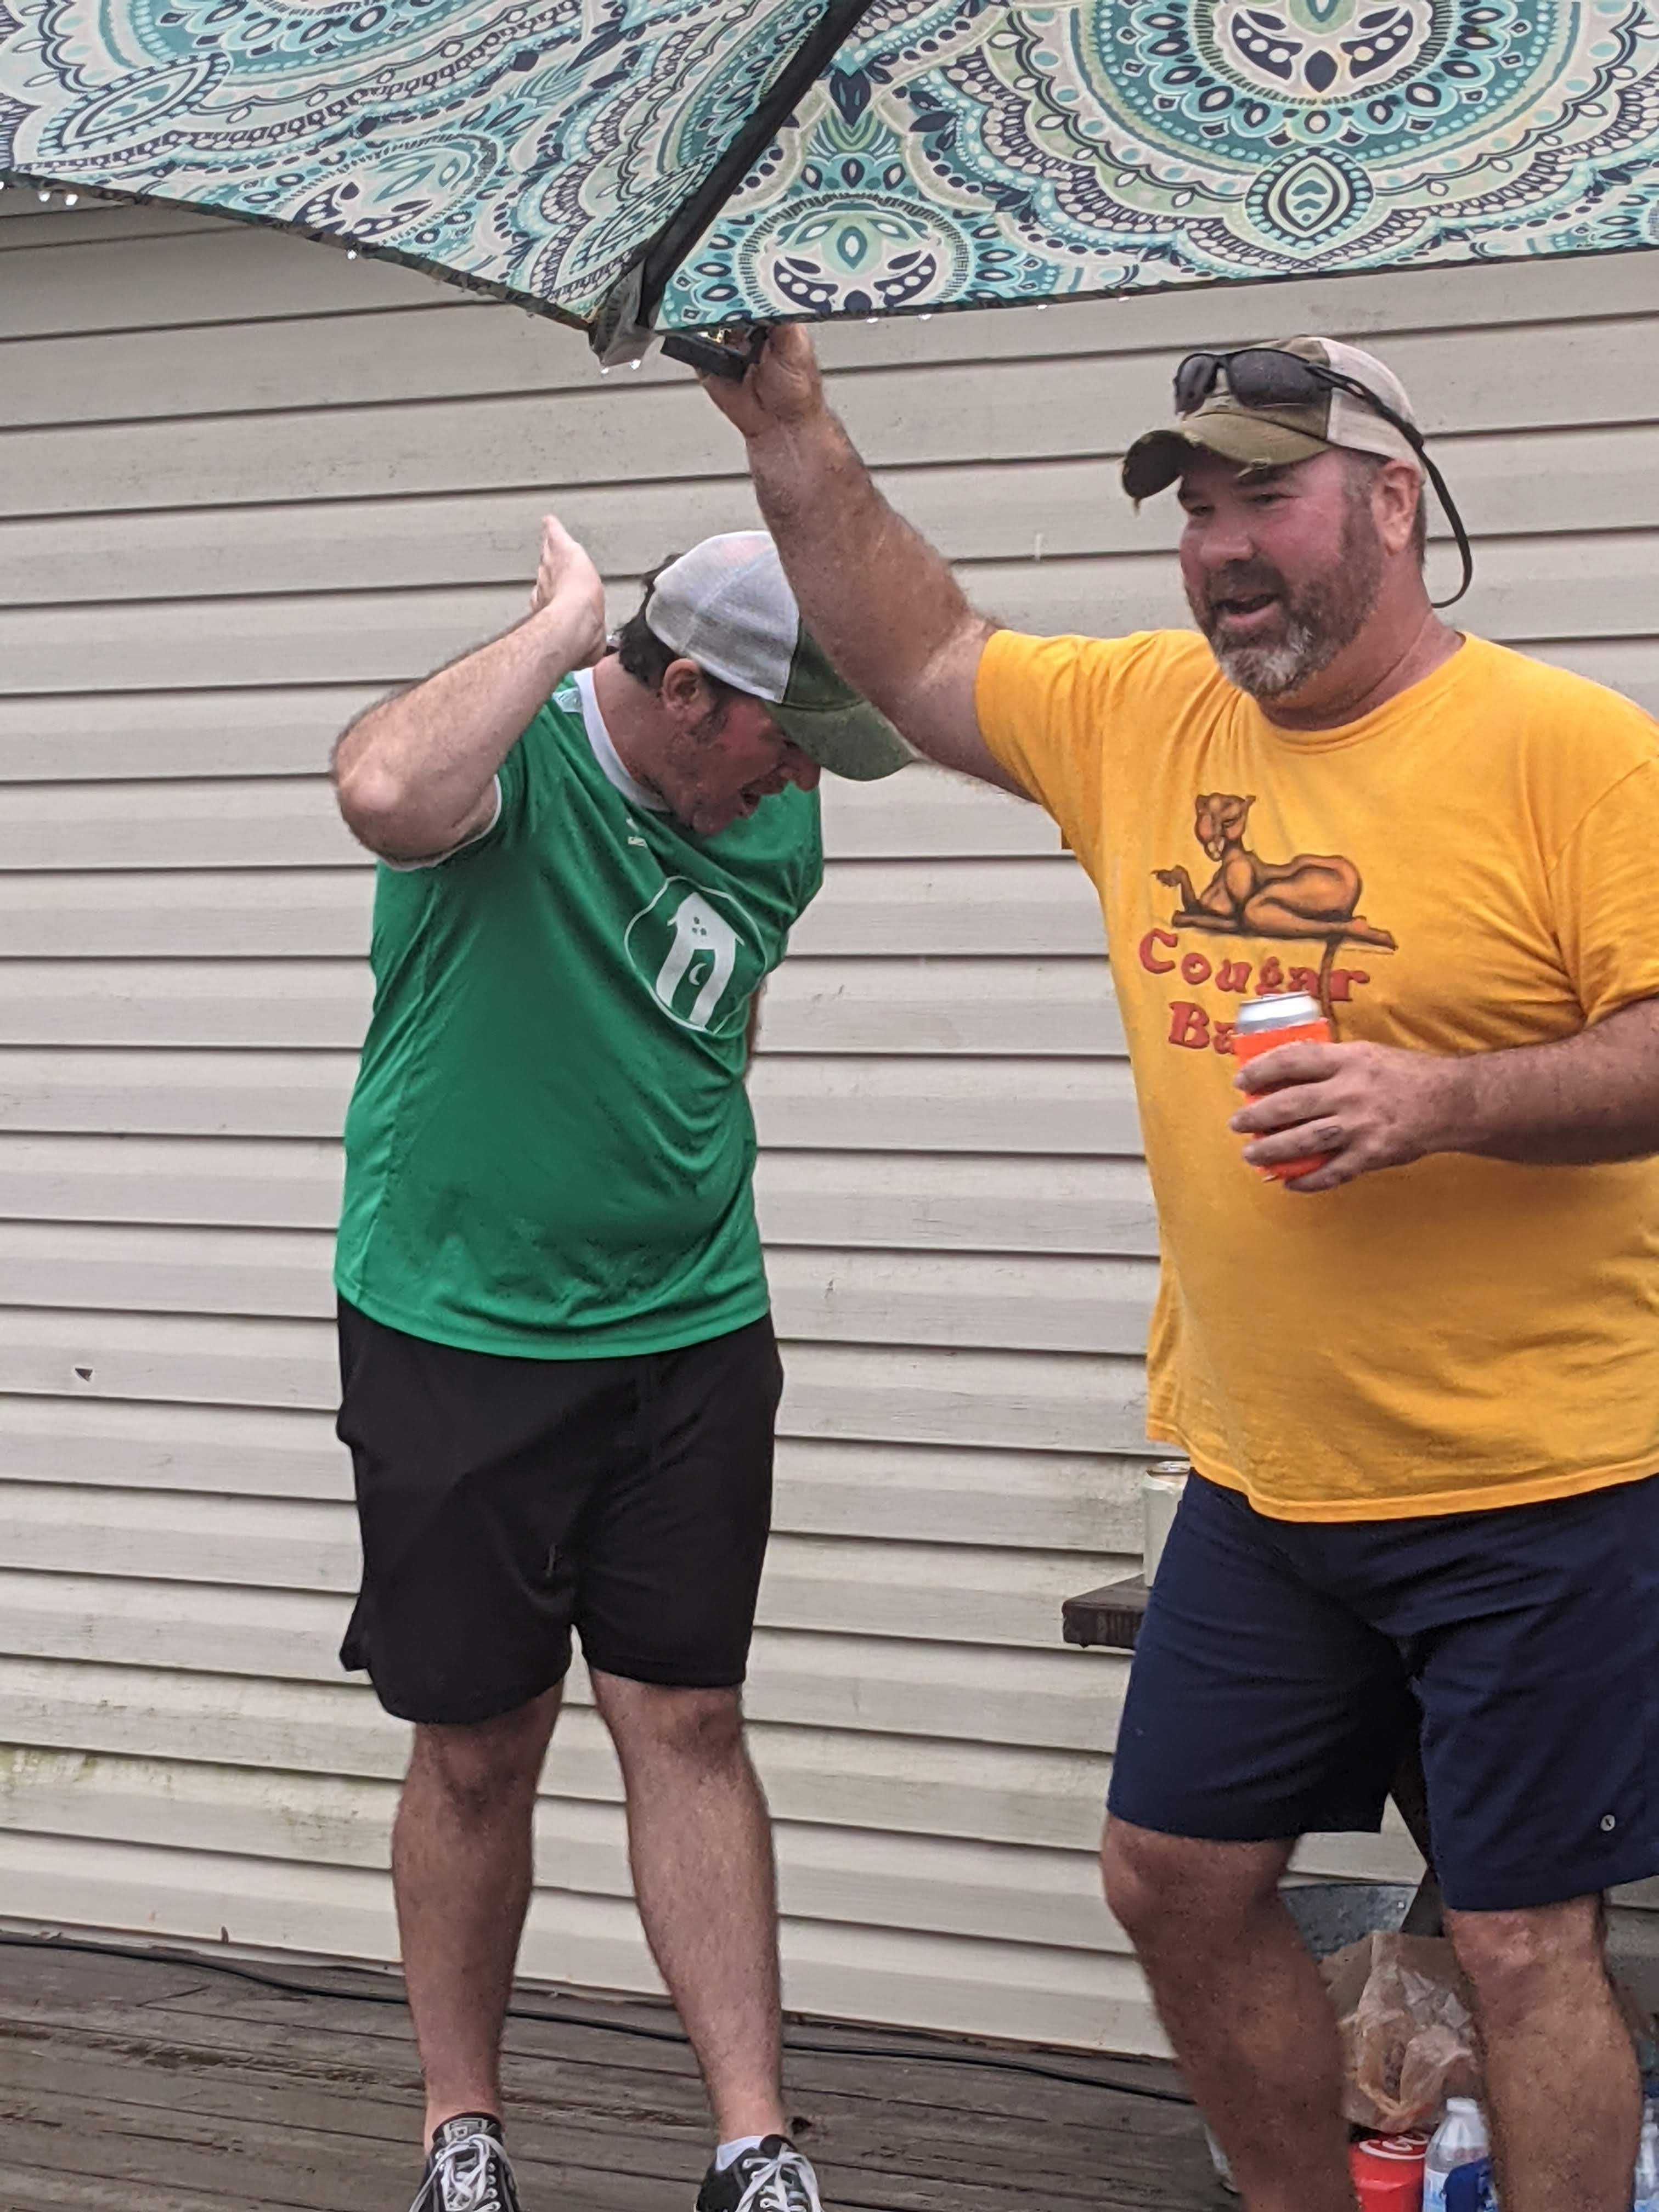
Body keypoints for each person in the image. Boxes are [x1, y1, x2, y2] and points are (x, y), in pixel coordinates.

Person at [704, 329, 1659, 2212]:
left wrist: (1443, 1099)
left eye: (1266, 498)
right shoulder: (1147, 718)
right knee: (1173, 1877)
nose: (1222, 547)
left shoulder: (1574, 752)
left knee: (1524, 1939)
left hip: (1538, 1480)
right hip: (1265, 1476)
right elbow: (917, 651)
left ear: (1394, 505)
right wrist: (790, 427)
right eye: (1197, 510)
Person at [329, 516, 909, 2212]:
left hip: (691, 1327)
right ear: (685, 687)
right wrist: (558, 627)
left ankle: (753, 2142)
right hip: (462, 1329)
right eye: (787, 734)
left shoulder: (772, 811)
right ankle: (461, 2132)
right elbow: (380, 789)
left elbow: (702, 1030)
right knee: (477, 1744)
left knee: (693, 1716)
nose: (803, 778)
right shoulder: (508, 771)